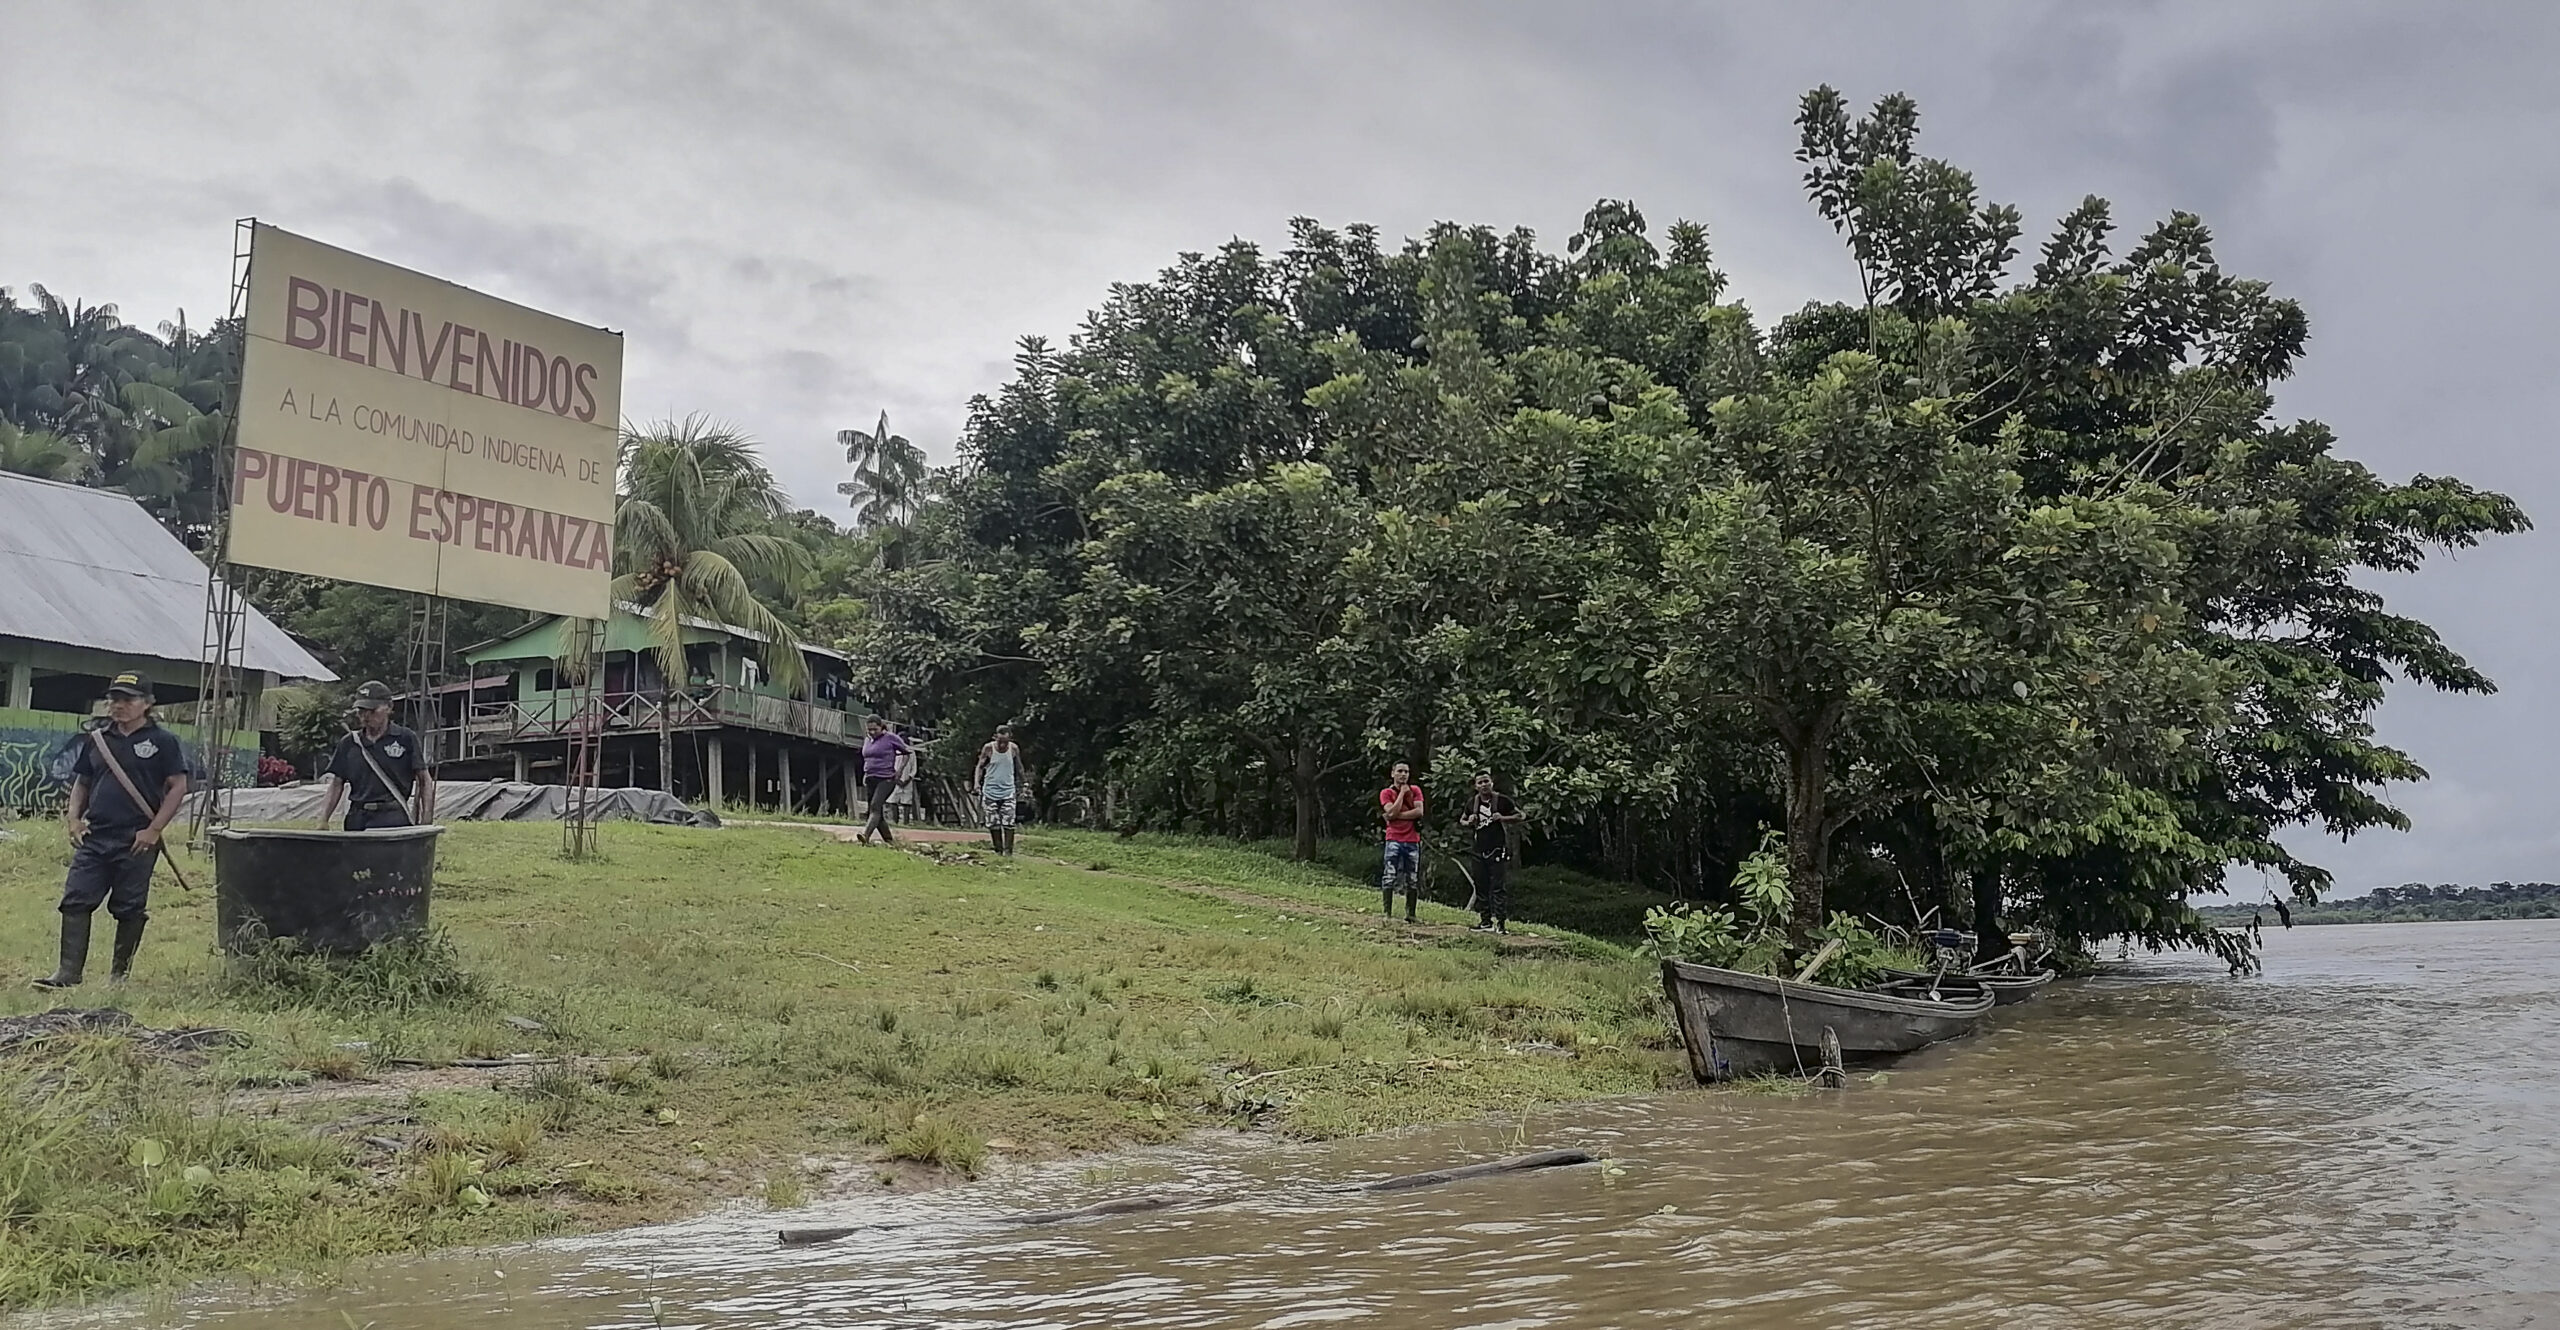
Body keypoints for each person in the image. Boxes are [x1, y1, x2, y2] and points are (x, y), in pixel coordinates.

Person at [35, 672, 188, 989]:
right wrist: (73, 819)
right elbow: (83, 782)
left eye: (127, 699)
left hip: (137, 839)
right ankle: (67, 973)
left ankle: (119, 976)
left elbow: (178, 787)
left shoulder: (163, 742)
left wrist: (154, 829)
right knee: (76, 900)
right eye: (114, 699)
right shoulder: (98, 740)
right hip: (95, 836)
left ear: (146, 703)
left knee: (129, 907)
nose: (118, 705)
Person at [317, 680, 436, 831]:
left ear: (389, 707)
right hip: (357, 817)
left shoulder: (405, 738)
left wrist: (426, 818)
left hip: (392, 816)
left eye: (372, 711)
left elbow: (424, 780)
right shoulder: (349, 743)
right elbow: (336, 783)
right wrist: (323, 819)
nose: (366, 716)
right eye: (361, 711)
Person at [1461, 771, 1524, 933]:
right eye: (1480, 782)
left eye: (1486, 781)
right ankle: (1485, 922)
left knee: (1498, 887)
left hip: (1497, 849)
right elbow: (1462, 819)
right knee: (1481, 886)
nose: (1483, 785)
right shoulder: (1472, 803)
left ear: (1492, 783)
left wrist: (1503, 818)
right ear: (1476, 786)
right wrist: (1469, 821)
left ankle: (1501, 924)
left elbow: (1520, 815)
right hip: (1478, 850)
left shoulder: (1502, 800)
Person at [973, 724, 1030, 855]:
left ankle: (1008, 852)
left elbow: (1019, 767)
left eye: (1006, 742)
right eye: (1000, 742)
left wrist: (1025, 783)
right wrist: (976, 783)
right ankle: (998, 850)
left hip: (1008, 790)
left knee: (1009, 821)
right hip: (990, 790)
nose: (1003, 745)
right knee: (993, 822)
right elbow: (979, 767)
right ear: (995, 737)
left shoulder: (1014, 749)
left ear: (1010, 739)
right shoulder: (988, 748)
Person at [1379, 761, 1424, 921]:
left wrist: (1395, 815)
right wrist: (1402, 794)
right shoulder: (1386, 793)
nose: (1403, 774)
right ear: (1393, 773)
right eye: (1400, 771)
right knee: (1389, 875)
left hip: (1412, 840)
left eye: (1406, 771)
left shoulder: (1416, 790)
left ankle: (1410, 914)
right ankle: (1387, 913)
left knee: (1412, 878)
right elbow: (1390, 811)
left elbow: (1419, 811)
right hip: (1393, 838)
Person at [857, 715, 913, 845]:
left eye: (874, 729)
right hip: (871, 777)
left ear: (881, 727)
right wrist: (865, 774)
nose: (872, 732)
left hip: (886, 778)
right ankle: (890, 841)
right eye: (869, 729)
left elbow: (907, 752)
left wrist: (899, 771)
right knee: (877, 813)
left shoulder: (891, 738)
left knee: (875, 806)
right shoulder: (867, 740)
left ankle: (865, 835)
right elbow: (867, 758)